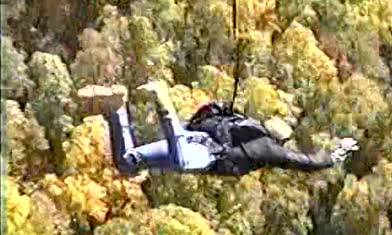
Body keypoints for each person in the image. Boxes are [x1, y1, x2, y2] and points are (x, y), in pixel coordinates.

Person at [98, 80, 359, 176]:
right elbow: (305, 162)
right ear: (279, 140)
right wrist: (336, 155)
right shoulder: (270, 150)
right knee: (180, 156)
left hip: (196, 135)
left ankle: (117, 108)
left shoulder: (242, 121)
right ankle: (162, 98)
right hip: (204, 154)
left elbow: (211, 110)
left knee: (127, 162)